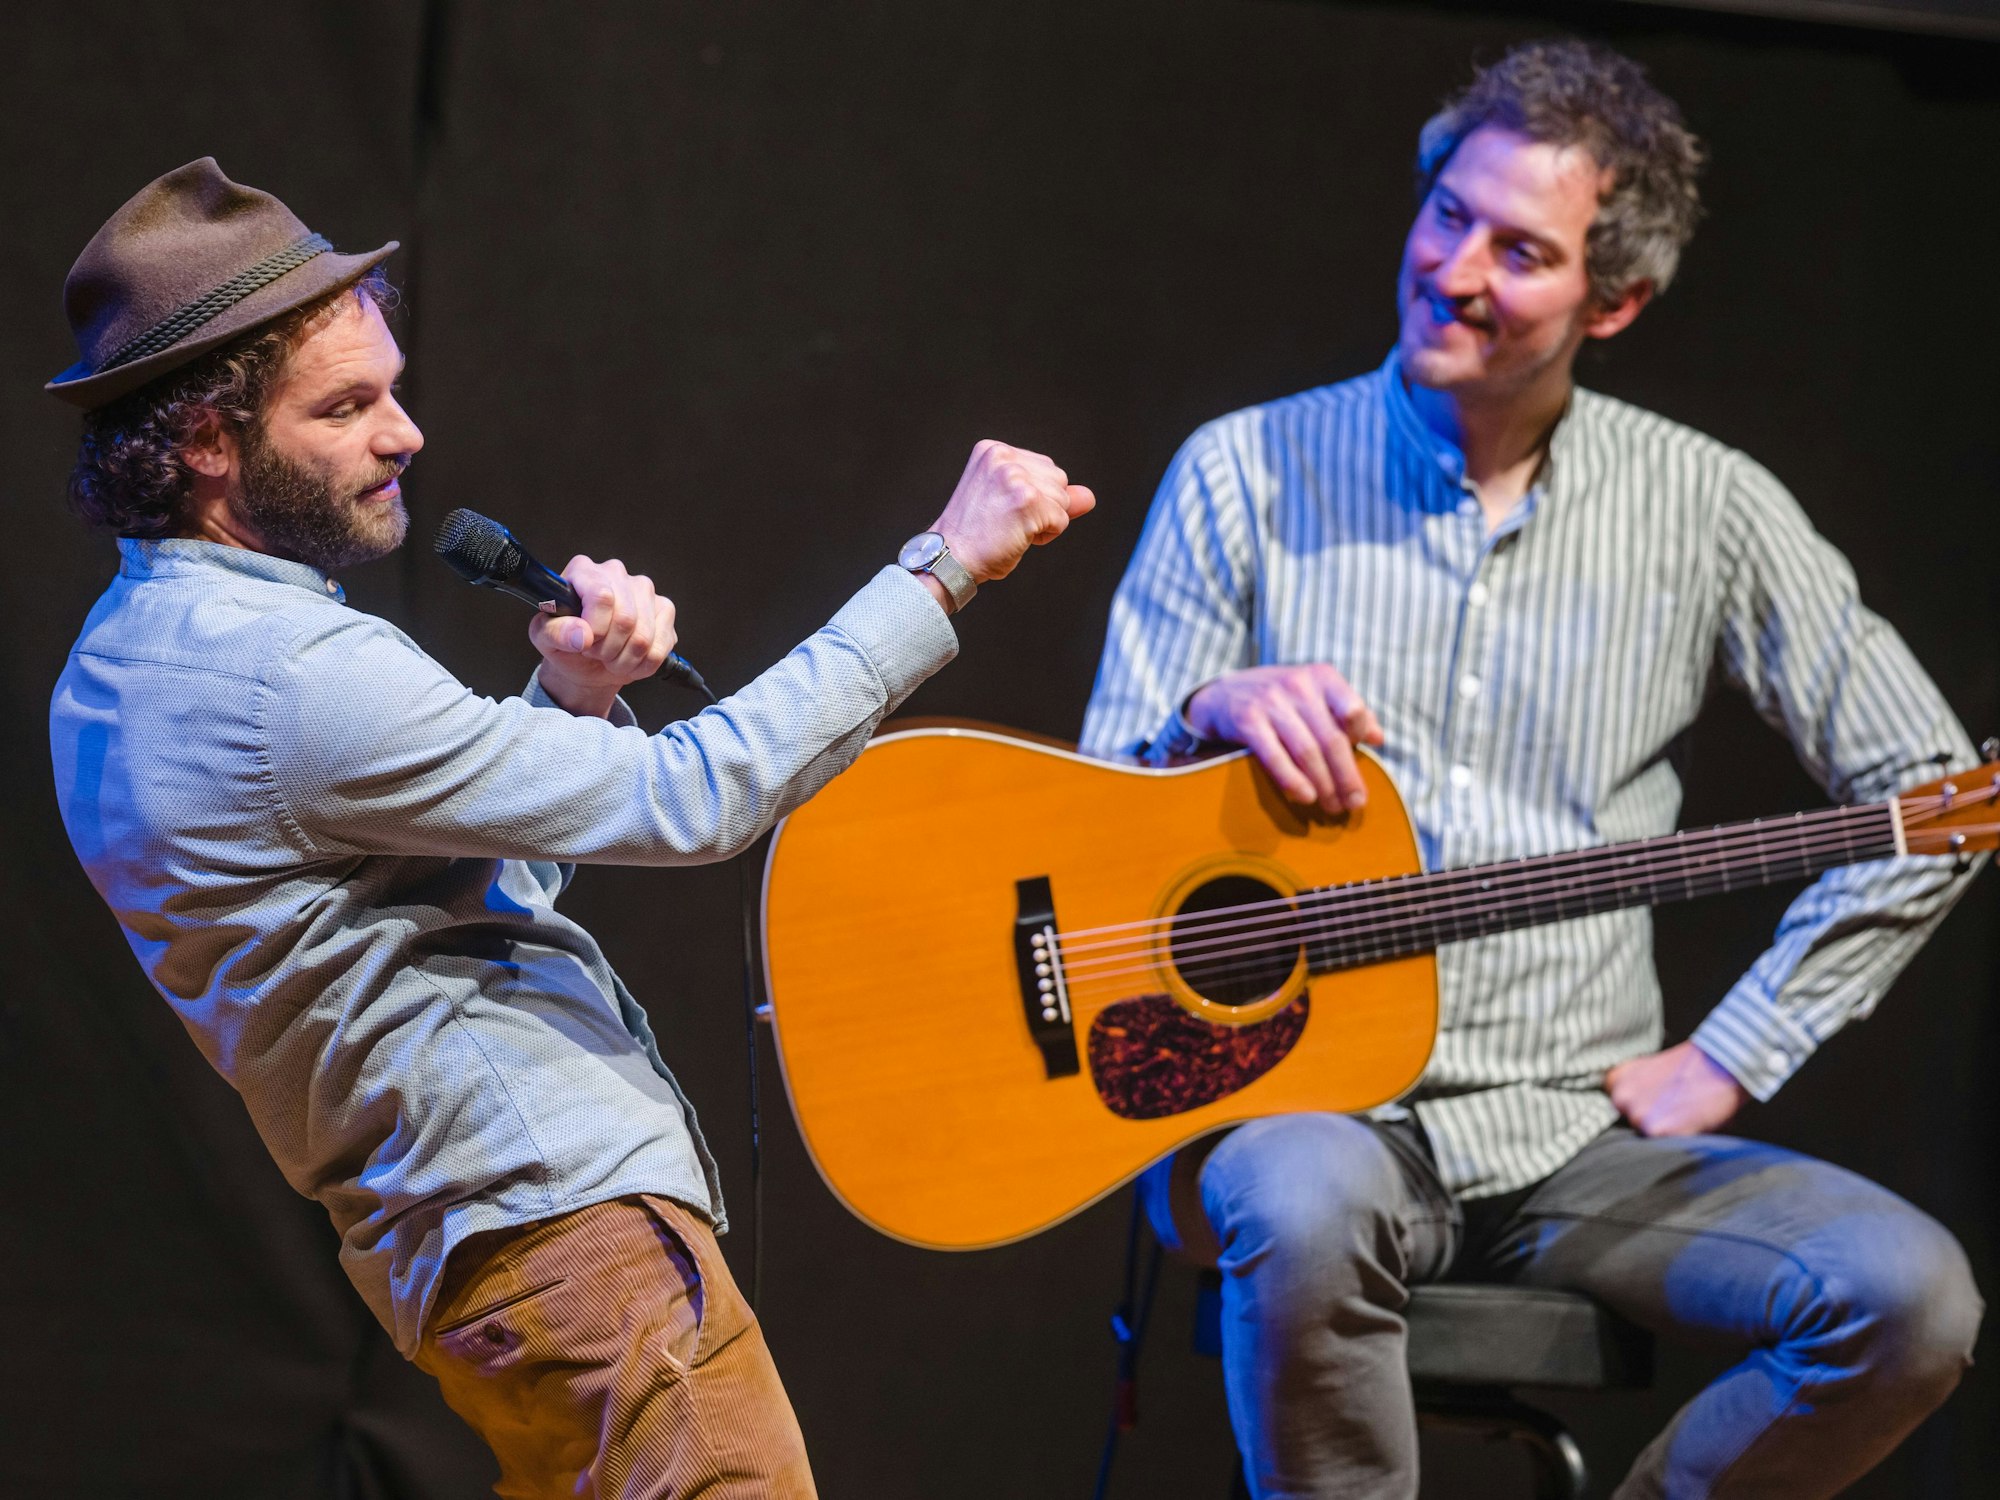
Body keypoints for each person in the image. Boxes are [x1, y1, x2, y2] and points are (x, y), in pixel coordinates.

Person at [47, 158, 1093, 1499]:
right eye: (349, 406)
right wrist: (946, 565)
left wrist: (575, 695)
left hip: (486, 1258)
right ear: (203, 439)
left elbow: (437, 909)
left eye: (393, 388)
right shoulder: (280, 674)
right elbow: (696, 797)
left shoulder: (129, 663)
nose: (404, 433)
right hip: (563, 1242)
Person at [1081, 39, 1982, 1500]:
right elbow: (1085, 809)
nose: (1454, 269)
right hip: (1301, 1109)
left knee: (1906, 1300)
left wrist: (1734, 1052)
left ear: (1612, 301)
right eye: (1448, 213)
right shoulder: (1243, 470)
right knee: (1304, 1206)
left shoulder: (1707, 505)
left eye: (1520, 251)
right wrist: (1209, 709)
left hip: (1577, 1135)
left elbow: (1933, 793)